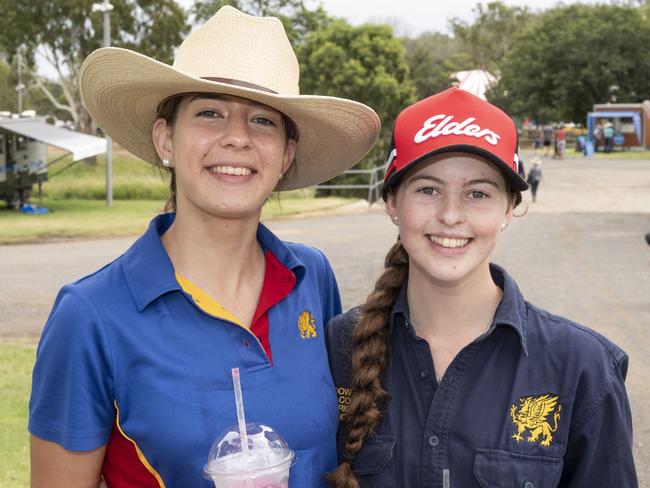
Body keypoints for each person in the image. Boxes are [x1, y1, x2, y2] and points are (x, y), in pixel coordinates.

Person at [28, 7, 380, 487]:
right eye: (210, 113)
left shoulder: (311, 277)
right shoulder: (89, 315)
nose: (236, 137)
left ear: (285, 155)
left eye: (262, 121)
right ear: (165, 138)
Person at [326, 87, 637, 488]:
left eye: (477, 193)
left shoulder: (583, 367)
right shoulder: (339, 347)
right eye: (428, 189)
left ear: (508, 208)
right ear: (391, 203)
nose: (451, 215)